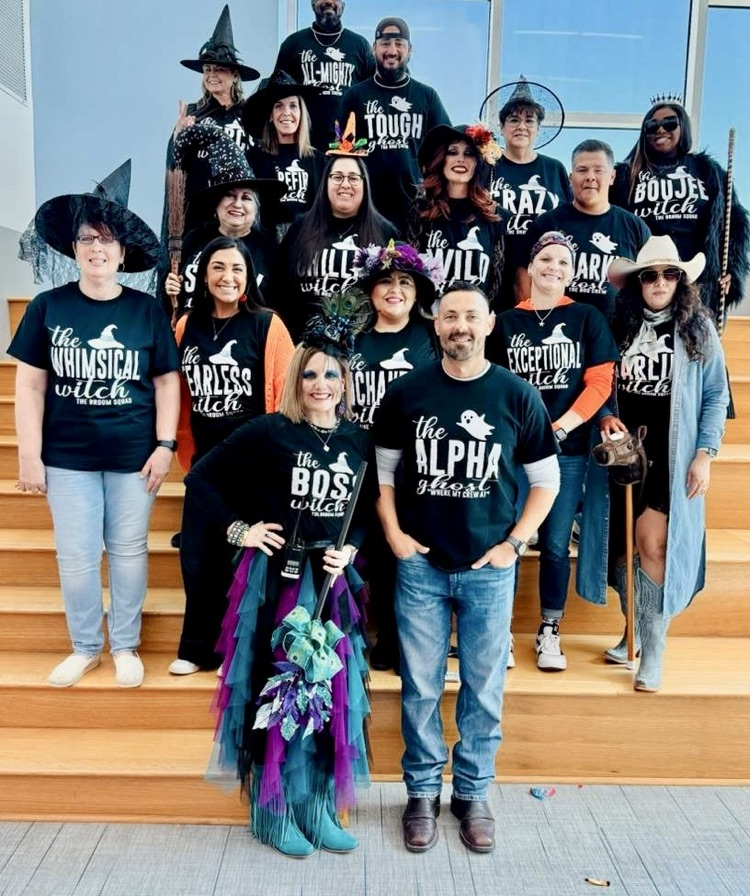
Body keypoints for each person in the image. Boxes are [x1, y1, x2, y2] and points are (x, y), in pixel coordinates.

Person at [372, 283, 559, 853]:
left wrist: (514, 544)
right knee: (420, 687)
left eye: (470, 316)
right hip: (421, 568)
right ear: (436, 326)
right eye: (450, 316)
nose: (460, 326)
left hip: (489, 569)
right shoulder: (406, 394)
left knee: (483, 687)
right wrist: (397, 537)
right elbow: (382, 475)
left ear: (489, 324)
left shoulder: (517, 395)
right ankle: (423, 792)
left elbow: (545, 483)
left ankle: (473, 793)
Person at [186, 299, 377, 857]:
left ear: (346, 381)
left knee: (329, 692)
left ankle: (315, 805)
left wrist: (352, 548)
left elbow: (365, 509)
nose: (321, 383)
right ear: (297, 378)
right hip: (277, 582)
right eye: (311, 372)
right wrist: (239, 530)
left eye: (332, 374)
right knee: (280, 693)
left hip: (331, 584)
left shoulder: (357, 439)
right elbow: (202, 479)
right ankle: (270, 809)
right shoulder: (269, 432)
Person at [8, 161, 180, 689]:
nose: (96, 248)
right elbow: (31, 385)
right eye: (87, 239)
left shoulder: (146, 311)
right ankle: (85, 646)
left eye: (106, 241)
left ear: (122, 253)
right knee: (77, 555)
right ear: (74, 249)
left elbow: (167, 383)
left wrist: (165, 444)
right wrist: (28, 454)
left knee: (128, 552)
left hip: (133, 456)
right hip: (68, 457)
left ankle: (124, 644)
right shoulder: (47, 307)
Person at [577, 235, 729, 691]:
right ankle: (634, 631)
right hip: (622, 449)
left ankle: (654, 647)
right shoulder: (616, 324)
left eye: (669, 274)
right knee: (621, 545)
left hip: (671, 451)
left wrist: (705, 454)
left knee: (652, 543)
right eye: (650, 275)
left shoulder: (697, 328)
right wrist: (605, 417)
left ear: (681, 281)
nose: (660, 282)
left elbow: (716, 395)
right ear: (637, 282)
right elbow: (600, 382)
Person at [487, 231, 618, 671]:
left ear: (574, 271)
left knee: (557, 545)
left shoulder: (587, 317)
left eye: (564, 262)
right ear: (531, 266)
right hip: (514, 455)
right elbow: (493, 386)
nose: (554, 268)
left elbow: (600, 383)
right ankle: (498, 629)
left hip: (567, 449)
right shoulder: (505, 323)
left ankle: (550, 630)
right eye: (546, 260)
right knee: (509, 539)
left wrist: (561, 426)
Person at [168, 236, 294, 675]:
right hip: (205, 461)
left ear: (248, 277)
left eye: (237, 269)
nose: (228, 277)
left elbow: (283, 394)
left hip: (254, 462)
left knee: (246, 560)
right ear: (204, 275)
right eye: (219, 267)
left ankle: (237, 652)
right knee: (199, 555)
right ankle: (196, 647)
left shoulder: (267, 323)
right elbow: (177, 391)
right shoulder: (187, 326)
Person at [347, 240, 443, 672]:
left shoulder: (430, 337)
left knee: (406, 555)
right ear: (370, 291)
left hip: (415, 466)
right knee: (371, 556)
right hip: (359, 462)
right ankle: (368, 637)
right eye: (385, 280)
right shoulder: (353, 339)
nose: (395, 289)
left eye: (405, 281)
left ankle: (403, 642)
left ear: (417, 291)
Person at [611, 98, 750, 320]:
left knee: (694, 343)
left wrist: (733, 271)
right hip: (647, 279)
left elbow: (735, 225)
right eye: (652, 125)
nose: (661, 129)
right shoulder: (626, 176)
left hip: (697, 279)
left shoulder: (707, 171)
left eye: (670, 123)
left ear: (682, 127)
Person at [338, 17, 451, 233]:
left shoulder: (426, 96)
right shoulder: (355, 96)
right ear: (374, 48)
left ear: (410, 50)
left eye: (399, 44)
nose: (392, 50)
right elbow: (340, 151)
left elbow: (446, 148)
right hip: (366, 212)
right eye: (385, 44)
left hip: (417, 212)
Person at [272, 152, 397, 341]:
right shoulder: (300, 228)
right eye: (337, 177)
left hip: (361, 348)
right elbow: (279, 290)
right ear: (325, 182)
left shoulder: (385, 233)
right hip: (302, 344)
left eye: (353, 178)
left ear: (365, 184)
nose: (345, 184)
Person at [522, 140, 650, 319]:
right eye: (582, 170)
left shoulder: (634, 227)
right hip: (559, 337)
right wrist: (535, 322)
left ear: (612, 176)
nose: (590, 177)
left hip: (617, 339)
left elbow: (649, 281)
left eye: (599, 170)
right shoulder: (547, 224)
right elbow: (523, 278)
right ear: (571, 177)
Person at [165, 124, 284, 318]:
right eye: (229, 196)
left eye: (246, 198)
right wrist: (169, 289)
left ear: (256, 209)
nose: (237, 204)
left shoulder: (269, 250)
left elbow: (278, 308)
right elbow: (169, 297)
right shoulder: (193, 239)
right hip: (187, 335)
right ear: (216, 204)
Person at [164, 5, 260, 235]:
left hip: (236, 213)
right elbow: (175, 167)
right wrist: (178, 137)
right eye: (207, 69)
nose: (212, 75)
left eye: (219, 69)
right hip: (197, 213)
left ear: (234, 75)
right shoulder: (194, 114)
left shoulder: (251, 115)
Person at [487, 77, 572, 309]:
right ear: (502, 127)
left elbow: (568, 219)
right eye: (513, 120)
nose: (521, 126)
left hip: (544, 271)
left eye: (529, 120)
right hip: (496, 269)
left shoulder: (554, 168)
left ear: (538, 128)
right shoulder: (488, 168)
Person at [409, 124, 505, 309]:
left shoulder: (495, 217)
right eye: (452, 152)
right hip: (429, 321)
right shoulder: (419, 212)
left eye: (469, 153)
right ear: (441, 159)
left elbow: (496, 284)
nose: (461, 159)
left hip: (474, 323)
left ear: (479, 162)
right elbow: (410, 276)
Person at [274, 0, 375, 150]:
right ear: (312, 4)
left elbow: (372, 95)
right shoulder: (293, 44)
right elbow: (277, 93)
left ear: (343, 5)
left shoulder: (359, 45)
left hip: (347, 147)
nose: (329, 2)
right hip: (304, 147)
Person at [242, 70, 326, 241]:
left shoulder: (319, 160)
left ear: (302, 113)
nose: (286, 112)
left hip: (308, 240)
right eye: (279, 106)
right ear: (271, 116)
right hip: (266, 242)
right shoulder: (254, 158)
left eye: (293, 106)